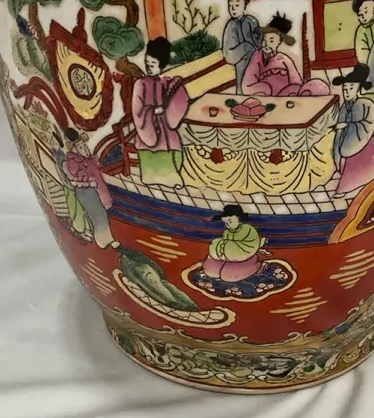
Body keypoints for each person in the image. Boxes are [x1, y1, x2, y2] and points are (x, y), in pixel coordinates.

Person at [131, 37, 190, 188]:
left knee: (173, 146)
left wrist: (174, 94)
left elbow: (180, 99)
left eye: (152, 65)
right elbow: (137, 109)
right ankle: (152, 178)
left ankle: (171, 178)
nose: (148, 68)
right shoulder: (141, 84)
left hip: (166, 126)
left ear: (162, 65)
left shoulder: (168, 82)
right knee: (152, 149)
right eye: (147, 64)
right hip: (149, 127)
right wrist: (152, 111)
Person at [54, 128, 119, 249]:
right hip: (85, 191)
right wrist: (90, 183)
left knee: (101, 213)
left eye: (83, 146)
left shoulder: (87, 160)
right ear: (74, 148)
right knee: (96, 215)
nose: (84, 148)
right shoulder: (71, 162)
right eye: (80, 146)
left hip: (94, 189)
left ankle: (108, 238)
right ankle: (102, 240)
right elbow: (74, 179)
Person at [242, 14, 330, 98]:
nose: (266, 44)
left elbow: (297, 82)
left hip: (286, 96)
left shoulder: (284, 59)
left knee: (316, 85)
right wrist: (264, 89)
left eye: (271, 41)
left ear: (279, 42)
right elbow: (247, 85)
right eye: (264, 40)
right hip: (265, 98)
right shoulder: (257, 57)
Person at [332, 64, 374, 196]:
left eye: (351, 88)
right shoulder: (345, 106)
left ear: (358, 89)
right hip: (348, 140)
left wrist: (347, 126)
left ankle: (344, 188)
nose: (347, 92)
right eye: (345, 89)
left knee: (354, 164)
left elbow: (367, 124)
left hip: (362, 140)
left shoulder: (366, 104)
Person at [202, 205, 264, 283]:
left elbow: (248, 244)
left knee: (229, 275)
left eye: (230, 221)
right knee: (211, 270)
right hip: (229, 255)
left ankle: (254, 265)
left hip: (244, 251)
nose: (228, 225)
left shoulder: (247, 228)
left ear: (238, 218)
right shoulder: (227, 232)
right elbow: (226, 241)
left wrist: (223, 246)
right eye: (226, 223)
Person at [222, 0, 262, 93]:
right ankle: (241, 91)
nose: (233, 8)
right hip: (232, 54)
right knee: (247, 48)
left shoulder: (251, 21)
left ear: (245, 6)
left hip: (251, 55)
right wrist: (247, 48)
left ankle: (244, 90)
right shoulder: (230, 25)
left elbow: (258, 42)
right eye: (230, 5)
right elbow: (228, 50)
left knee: (250, 56)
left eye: (237, 5)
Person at [352, 0, 374, 66]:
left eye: (366, 12)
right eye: (360, 14)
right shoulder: (360, 31)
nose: (363, 17)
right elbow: (362, 53)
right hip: (369, 64)